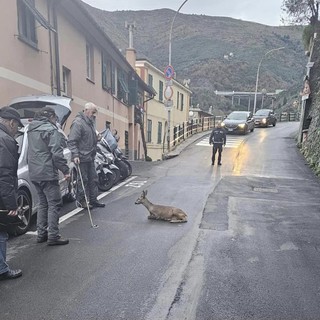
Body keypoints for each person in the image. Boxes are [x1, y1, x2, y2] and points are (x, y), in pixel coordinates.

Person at [27, 107, 70, 246]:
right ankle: (53, 235)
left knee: (42, 203)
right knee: (54, 203)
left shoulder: (31, 129)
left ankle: (41, 234)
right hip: (47, 172)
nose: (56, 120)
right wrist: (65, 170)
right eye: (55, 118)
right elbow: (57, 154)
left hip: (34, 172)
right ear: (51, 117)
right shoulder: (51, 130)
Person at [67, 102, 105, 209]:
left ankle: (93, 200)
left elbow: (88, 138)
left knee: (93, 178)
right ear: (86, 110)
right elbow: (72, 141)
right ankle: (82, 201)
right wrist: (75, 155)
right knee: (83, 180)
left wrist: (96, 138)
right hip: (81, 157)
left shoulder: (89, 123)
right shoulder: (78, 123)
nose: (94, 115)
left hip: (90, 156)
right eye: (93, 112)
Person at [0, 106, 23, 280]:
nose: (16, 131)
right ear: (11, 122)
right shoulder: (5, 140)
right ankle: (1, 269)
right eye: (17, 127)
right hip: (2, 194)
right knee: (1, 231)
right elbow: (5, 174)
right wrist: (11, 204)